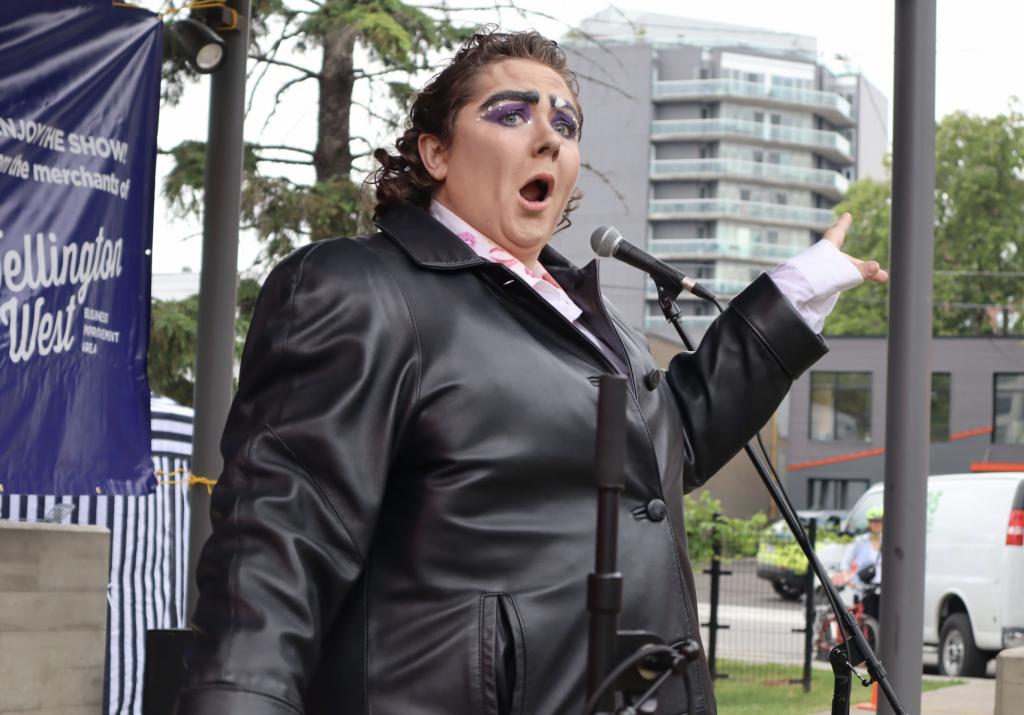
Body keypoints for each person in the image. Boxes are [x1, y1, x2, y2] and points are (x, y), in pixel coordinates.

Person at [174, 30, 888, 715]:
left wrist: (795, 295)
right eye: (511, 113)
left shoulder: (588, 319)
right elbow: (280, 544)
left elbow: (667, 452)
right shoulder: (362, 288)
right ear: (436, 152)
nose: (549, 134)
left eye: (566, 123)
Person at [833, 506, 884, 620]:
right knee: (863, 621)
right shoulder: (860, 541)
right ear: (869, 523)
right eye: (874, 521)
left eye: (880, 521)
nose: (877, 524)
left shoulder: (888, 541)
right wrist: (848, 580)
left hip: (881, 589)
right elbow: (845, 564)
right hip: (863, 589)